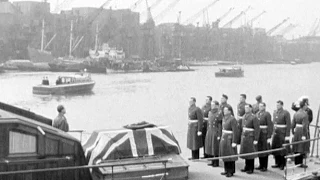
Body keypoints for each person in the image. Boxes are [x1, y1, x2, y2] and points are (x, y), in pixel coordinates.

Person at [239, 104, 260, 174]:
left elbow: (257, 129)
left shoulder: (254, 117)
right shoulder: (244, 116)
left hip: (250, 136)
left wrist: (256, 139)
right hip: (244, 136)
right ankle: (246, 166)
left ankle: (251, 168)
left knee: (250, 153)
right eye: (245, 108)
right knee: (246, 152)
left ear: (251, 109)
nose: (246, 109)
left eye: (247, 108)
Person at [271, 100, 291, 170]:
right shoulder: (275, 112)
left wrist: (287, 135)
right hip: (276, 133)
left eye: (278, 105)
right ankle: (277, 162)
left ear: (282, 105)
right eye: (276, 105)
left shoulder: (286, 113)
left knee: (282, 149)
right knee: (276, 148)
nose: (277, 106)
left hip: (282, 133)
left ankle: (282, 164)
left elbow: (288, 124)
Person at [220, 106, 239, 178]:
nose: (224, 111)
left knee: (230, 155)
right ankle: (226, 170)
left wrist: (234, 141)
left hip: (229, 138)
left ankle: (231, 171)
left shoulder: (232, 119)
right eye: (224, 110)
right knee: (225, 154)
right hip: (224, 137)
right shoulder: (224, 118)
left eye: (226, 110)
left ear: (230, 111)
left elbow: (235, 131)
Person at [256, 102, 273, 172]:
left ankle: (264, 166)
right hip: (259, 134)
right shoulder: (257, 114)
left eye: (262, 106)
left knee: (264, 150)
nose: (260, 107)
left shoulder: (267, 114)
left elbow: (270, 125)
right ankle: (260, 164)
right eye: (259, 106)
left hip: (264, 133)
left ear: (264, 107)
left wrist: (269, 135)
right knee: (259, 149)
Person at [292, 101, 309, 168]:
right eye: (306, 106)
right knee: (301, 147)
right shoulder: (305, 114)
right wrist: (304, 135)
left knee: (296, 146)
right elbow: (305, 126)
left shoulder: (296, 113)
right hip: (302, 131)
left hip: (297, 130)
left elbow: (293, 123)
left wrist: (293, 131)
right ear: (304, 106)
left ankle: (296, 162)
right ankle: (300, 163)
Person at [205, 100, 222, 167]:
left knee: (215, 147)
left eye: (213, 105)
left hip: (215, 131)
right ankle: (212, 161)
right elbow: (208, 123)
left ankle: (216, 162)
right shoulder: (210, 112)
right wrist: (207, 130)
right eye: (211, 105)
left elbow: (220, 125)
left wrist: (219, 134)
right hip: (210, 130)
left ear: (217, 106)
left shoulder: (219, 113)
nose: (212, 106)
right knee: (210, 146)